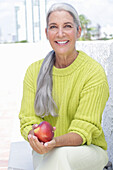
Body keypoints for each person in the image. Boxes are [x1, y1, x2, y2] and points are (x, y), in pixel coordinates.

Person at [19, 3, 109, 170]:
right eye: (53, 27)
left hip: (87, 150)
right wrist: (34, 136)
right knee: (53, 157)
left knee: (58, 156)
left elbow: (83, 130)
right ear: (47, 33)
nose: (60, 34)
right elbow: (28, 119)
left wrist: (55, 143)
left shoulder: (93, 72)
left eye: (67, 26)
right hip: (45, 150)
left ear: (78, 31)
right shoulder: (33, 71)